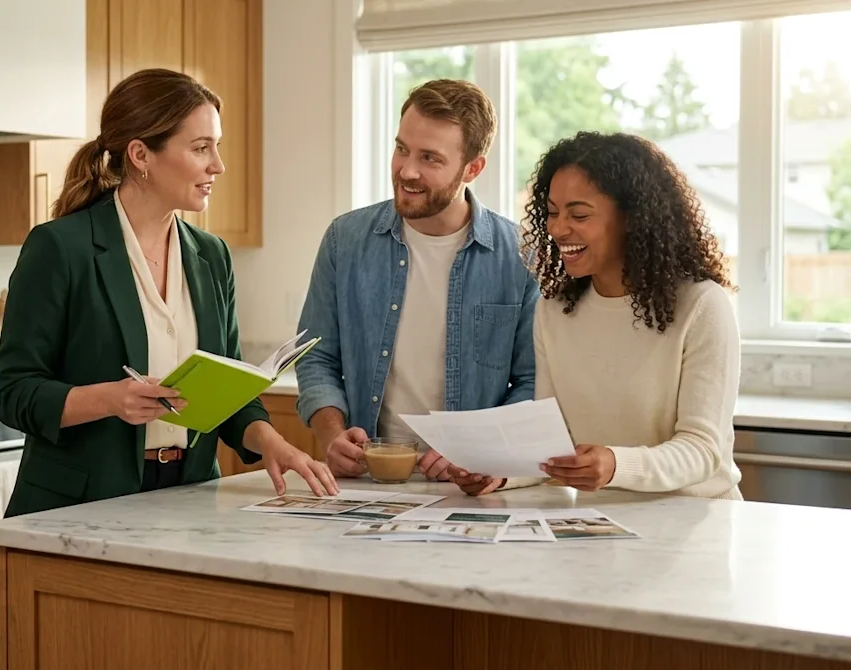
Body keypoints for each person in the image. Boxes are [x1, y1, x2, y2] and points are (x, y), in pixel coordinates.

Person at [0, 68, 338, 531]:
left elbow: (231, 388)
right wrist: (110, 399)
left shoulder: (211, 256)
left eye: (216, 146)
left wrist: (271, 441)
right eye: (200, 148)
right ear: (141, 155)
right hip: (78, 509)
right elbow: (14, 393)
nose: (218, 164)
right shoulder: (60, 248)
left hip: (191, 496)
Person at [453, 131, 742, 499]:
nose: (557, 229)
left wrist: (615, 465)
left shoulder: (702, 305)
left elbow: (702, 450)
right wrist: (500, 475)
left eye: (579, 214)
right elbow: (552, 443)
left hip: (698, 527)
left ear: (633, 219)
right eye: (553, 213)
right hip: (602, 526)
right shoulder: (554, 309)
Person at [295, 78, 540, 487]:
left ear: (473, 168)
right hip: (367, 484)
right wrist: (331, 434)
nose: (407, 170)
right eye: (402, 148)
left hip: (470, 489)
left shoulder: (520, 256)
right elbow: (316, 356)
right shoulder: (345, 240)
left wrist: (479, 448)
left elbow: (535, 381)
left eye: (430, 158)